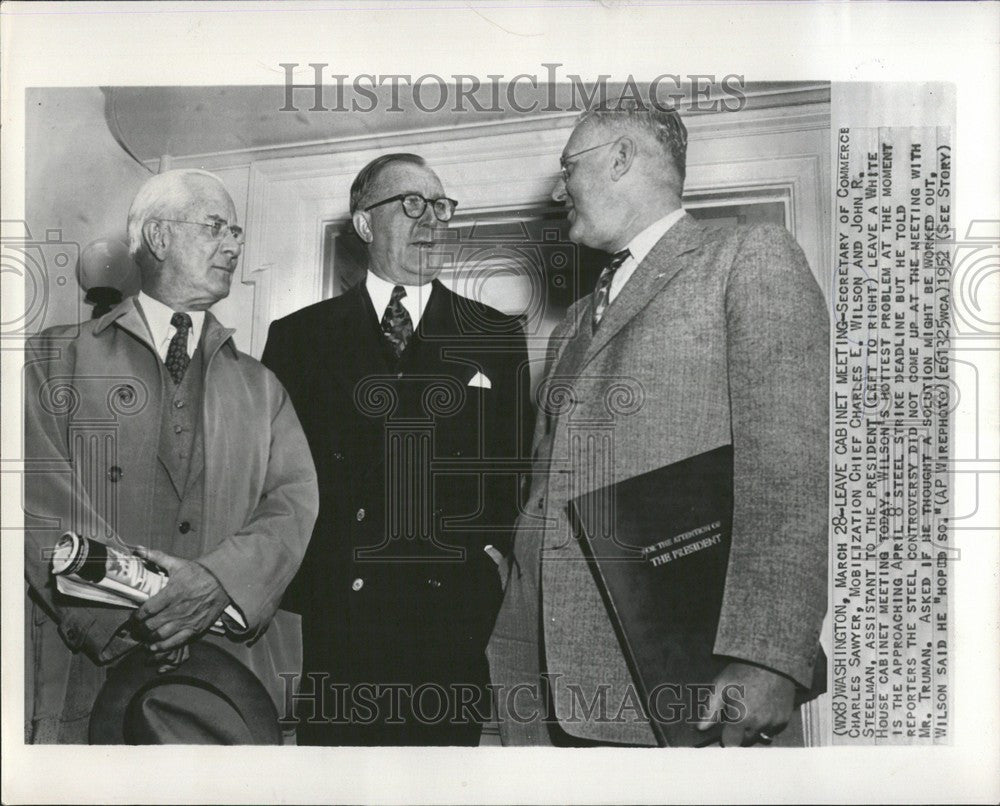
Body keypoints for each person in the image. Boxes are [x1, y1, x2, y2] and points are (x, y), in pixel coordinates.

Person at [487, 104, 829, 747]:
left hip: (685, 684)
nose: (558, 190)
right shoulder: (572, 323)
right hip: (544, 683)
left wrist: (766, 657)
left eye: (569, 169)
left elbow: (788, 475)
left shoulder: (747, 258)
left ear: (621, 158)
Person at [24, 168, 318, 743]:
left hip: (226, 689)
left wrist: (216, 584)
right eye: (216, 227)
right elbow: (35, 503)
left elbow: (293, 506)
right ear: (158, 236)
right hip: (87, 670)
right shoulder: (54, 358)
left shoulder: (263, 388)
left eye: (236, 231)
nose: (234, 245)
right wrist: (141, 610)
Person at [261, 153, 531, 745]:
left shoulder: (495, 336)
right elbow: (277, 478)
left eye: (439, 205)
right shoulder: (298, 337)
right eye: (410, 203)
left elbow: (516, 468)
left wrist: (494, 560)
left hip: (451, 621)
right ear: (364, 223)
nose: (430, 219)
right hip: (342, 620)